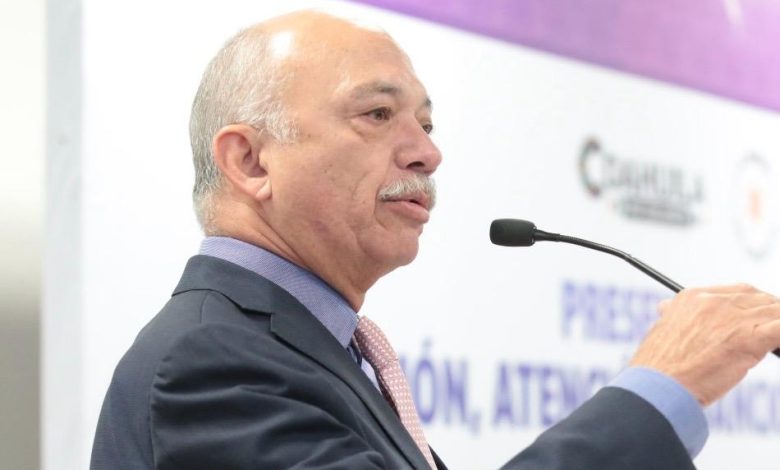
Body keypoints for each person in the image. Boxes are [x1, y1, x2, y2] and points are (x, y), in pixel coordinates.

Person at [90, 10, 780, 470]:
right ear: (250, 161)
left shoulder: (316, 351)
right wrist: (660, 387)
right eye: (377, 114)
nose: (427, 153)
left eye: (425, 123)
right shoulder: (211, 364)